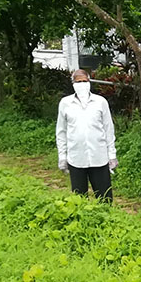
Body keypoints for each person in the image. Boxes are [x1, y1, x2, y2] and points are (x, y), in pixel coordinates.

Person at [55, 68, 117, 202]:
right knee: (79, 199)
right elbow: (61, 132)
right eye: (78, 82)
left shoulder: (100, 102)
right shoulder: (65, 104)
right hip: (76, 158)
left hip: (99, 157)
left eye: (84, 81)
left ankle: (106, 221)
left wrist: (112, 154)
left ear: (89, 82)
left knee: (105, 197)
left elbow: (108, 129)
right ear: (73, 84)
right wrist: (62, 156)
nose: (82, 84)